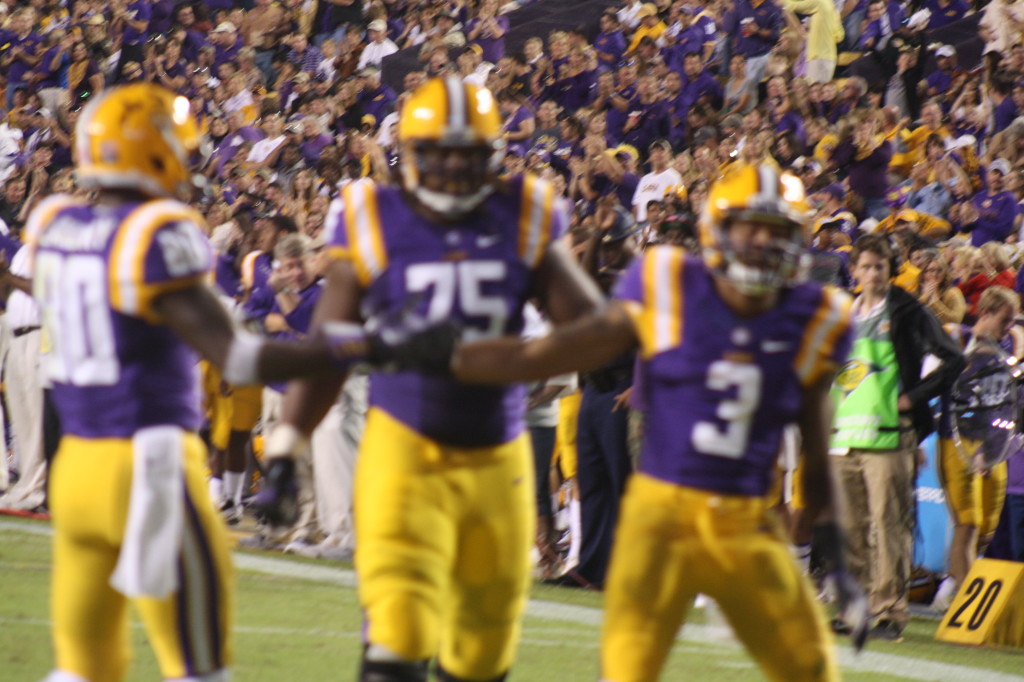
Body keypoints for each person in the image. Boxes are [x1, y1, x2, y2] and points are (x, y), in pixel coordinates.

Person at [26, 83, 436, 682]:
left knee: (83, 668)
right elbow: (240, 358)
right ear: (155, 152)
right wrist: (363, 342)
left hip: (79, 468)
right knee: (198, 666)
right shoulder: (155, 230)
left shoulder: (54, 222)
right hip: (148, 464)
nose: (189, 163)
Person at [437, 163, 869, 680]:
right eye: (752, 227)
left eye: (778, 231)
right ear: (719, 230)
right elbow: (594, 338)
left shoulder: (821, 315)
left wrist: (823, 552)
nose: (763, 243)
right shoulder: (668, 278)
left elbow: (816, 444)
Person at [259, 76, 604, 682]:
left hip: (498, 460)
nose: (448, 169)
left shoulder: (523, 212)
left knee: (480, 656)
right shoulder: (370, 216)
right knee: (397, 640)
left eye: (464, 155)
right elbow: (329, 348)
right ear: (408, 155)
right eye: (436, 153)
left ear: (492, 157)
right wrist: (286, 443)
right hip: (404, 455)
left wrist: (514, 361)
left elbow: (590, 330)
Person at [831, 234, 964, 641]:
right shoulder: (843, 314)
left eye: (880, 267)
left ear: (890, 270)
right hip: (844, 436)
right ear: (853, 270)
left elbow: (954, 358)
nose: (872, 274)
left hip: (890, 436)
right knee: (849, 528)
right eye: (865, 266)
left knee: (889, 525)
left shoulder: (908, 310)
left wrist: (915, 398)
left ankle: (889, 611)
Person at [932, 285, 1021, 611]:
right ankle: (969, 608)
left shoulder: (1007, 345)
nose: (1009, 326)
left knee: (986, 530)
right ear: (985, 312)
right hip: (957, 440)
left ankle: (954, 585)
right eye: (1004, 319)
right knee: (967, 523)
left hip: (993, 445)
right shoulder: (957, 337)